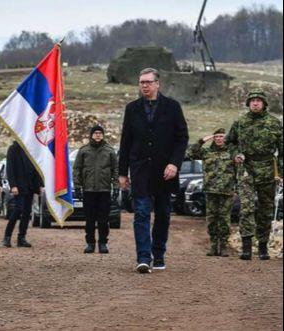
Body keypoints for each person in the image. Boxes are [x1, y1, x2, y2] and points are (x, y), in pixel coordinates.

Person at [118, 68, 189, 273]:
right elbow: (126, 141)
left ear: (158, 84)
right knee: (140, 212)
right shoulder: (132, 108)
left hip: (165, 171)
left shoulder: (173, 107)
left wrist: (175, 163)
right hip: (140, 170)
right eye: (141, 82)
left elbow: (181, 138)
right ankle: (143, 257)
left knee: (163, 213)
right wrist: (123, 172)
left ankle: (158, 253)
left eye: (148, 82)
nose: (144, 86)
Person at [225, 89, 283, 260]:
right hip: (246, 169)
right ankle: (246, 247)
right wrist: (235, 154)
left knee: (266, 209)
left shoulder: (274, 123)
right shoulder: (240, 123)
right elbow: (229, 143)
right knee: (247, 207)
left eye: (258, 100)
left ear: (264, 103)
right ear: (248, 103)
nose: (255, 103)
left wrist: (281, 172)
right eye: (252, 100)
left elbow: (282, 150)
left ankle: (263, 246)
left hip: (267, 169)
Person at [187, 128, 236, 257]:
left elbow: (239, 169)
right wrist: (202, 140)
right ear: (213, 138)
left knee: (224, 219)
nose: (219, 139)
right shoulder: (206, 152)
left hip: (227, 191)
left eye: (221, 136)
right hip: (211, 190)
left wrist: (236, 187)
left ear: (225, 138)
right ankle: (214, 246)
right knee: (212, 218)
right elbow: (190, 153)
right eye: (217, 137)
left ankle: (224, 246)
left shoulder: (231, 152)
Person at [73, 125, 118, 254]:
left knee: (104, 219)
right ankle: (90, 243)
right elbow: (77, 169)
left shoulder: (109, 151)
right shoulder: (83, 151)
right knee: (90, 219)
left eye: (100, 133)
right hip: (89, 190)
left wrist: (115, 187)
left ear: (103, 135)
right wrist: (77, 186)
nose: (98, 135)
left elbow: (115, 170)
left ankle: (103, 243)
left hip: (104, 190)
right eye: (95, 133)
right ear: (91, 135)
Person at [2, 141, 43, 248]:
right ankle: (7, 237)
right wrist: (13, 185)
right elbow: (10, 169)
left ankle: (22, 238)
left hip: (30, 185)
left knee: (27, 212)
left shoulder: (32, 148)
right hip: (19, 186)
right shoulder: (13, 148)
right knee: (18, 209)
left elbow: (37, 167)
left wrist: (40, 185)